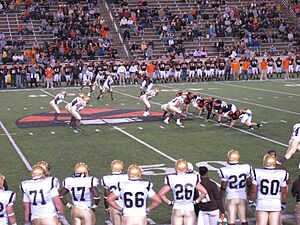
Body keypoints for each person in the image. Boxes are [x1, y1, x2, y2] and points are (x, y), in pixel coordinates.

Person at [159, 159, 208, 225]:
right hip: (189, 208)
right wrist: (196, 201)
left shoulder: (171, 178)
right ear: (186, 168)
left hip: (177, 208)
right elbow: (204, 192)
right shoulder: (193, 177)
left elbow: (161, 194)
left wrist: (170, 202)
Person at [249, 154, 289, 225]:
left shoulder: (257, 172)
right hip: (275, 203)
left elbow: (253, 190)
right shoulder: (282, 173)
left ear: (264, 163)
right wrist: (284, 203)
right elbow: (284, 192)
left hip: (262, 203)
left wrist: (251, 200)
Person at [217, 150, 252, 225]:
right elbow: (249, 183)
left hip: (231, 196)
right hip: (242, 196)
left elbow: (223, 186)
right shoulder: (246, 167)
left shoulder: (224, 170)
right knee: (244, 220)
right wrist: (248, 194)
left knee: (231, 221)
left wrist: (220, 198)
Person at [101, 160, 128, 225]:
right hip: (127, 204)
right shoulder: (128, 177)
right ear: (122, 168)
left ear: (112, 168)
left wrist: (107, 208)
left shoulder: (106, 179)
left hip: (114, 205)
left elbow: (106, 196)